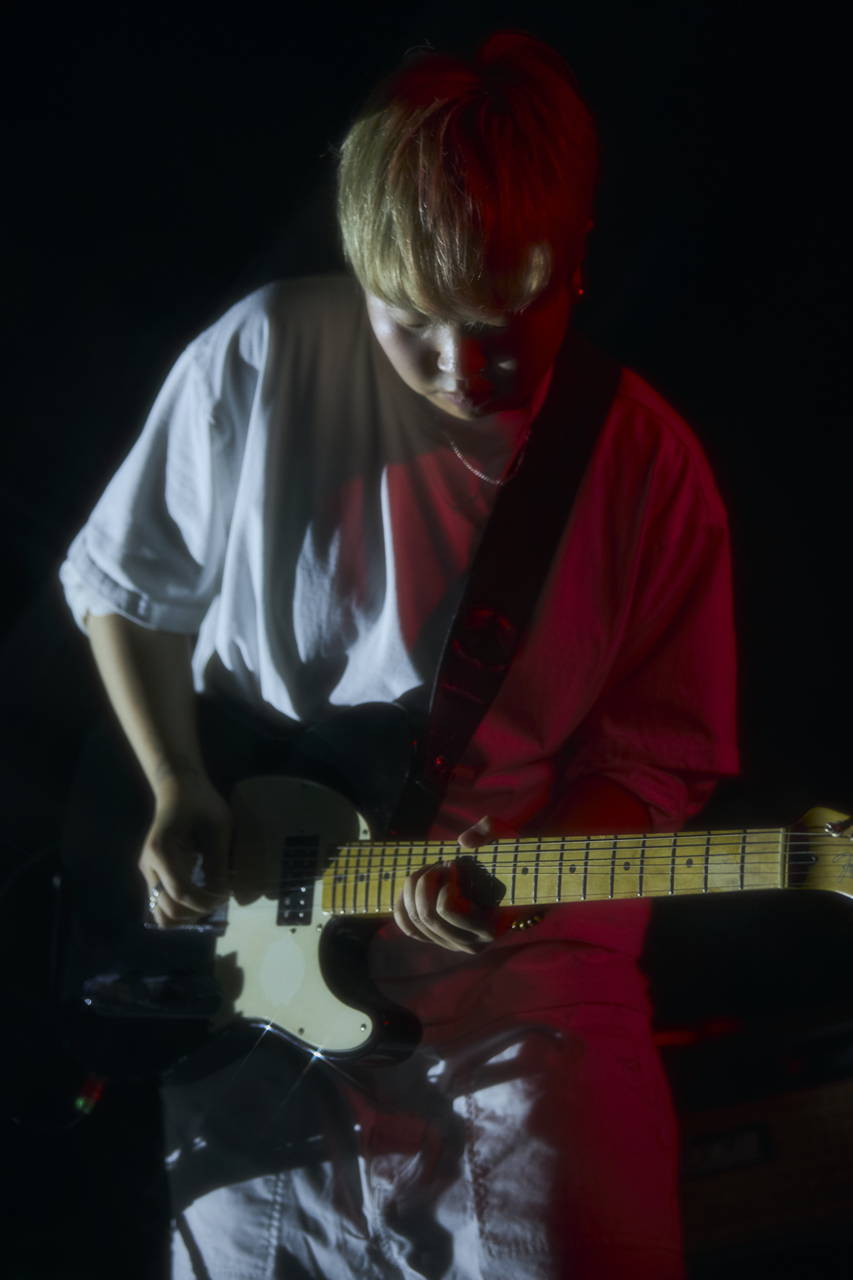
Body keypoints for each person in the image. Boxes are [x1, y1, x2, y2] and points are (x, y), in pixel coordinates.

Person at [58, 30, 738, 1280]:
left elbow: (654, 760)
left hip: (527, 1000)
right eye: (410, 322)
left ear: (575, 257)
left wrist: (520, 878)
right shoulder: (263, 352)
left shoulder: (650, 467)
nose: (461, 367)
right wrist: (176, 784)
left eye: (502, 318)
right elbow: (125, 586)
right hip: (255, 989)